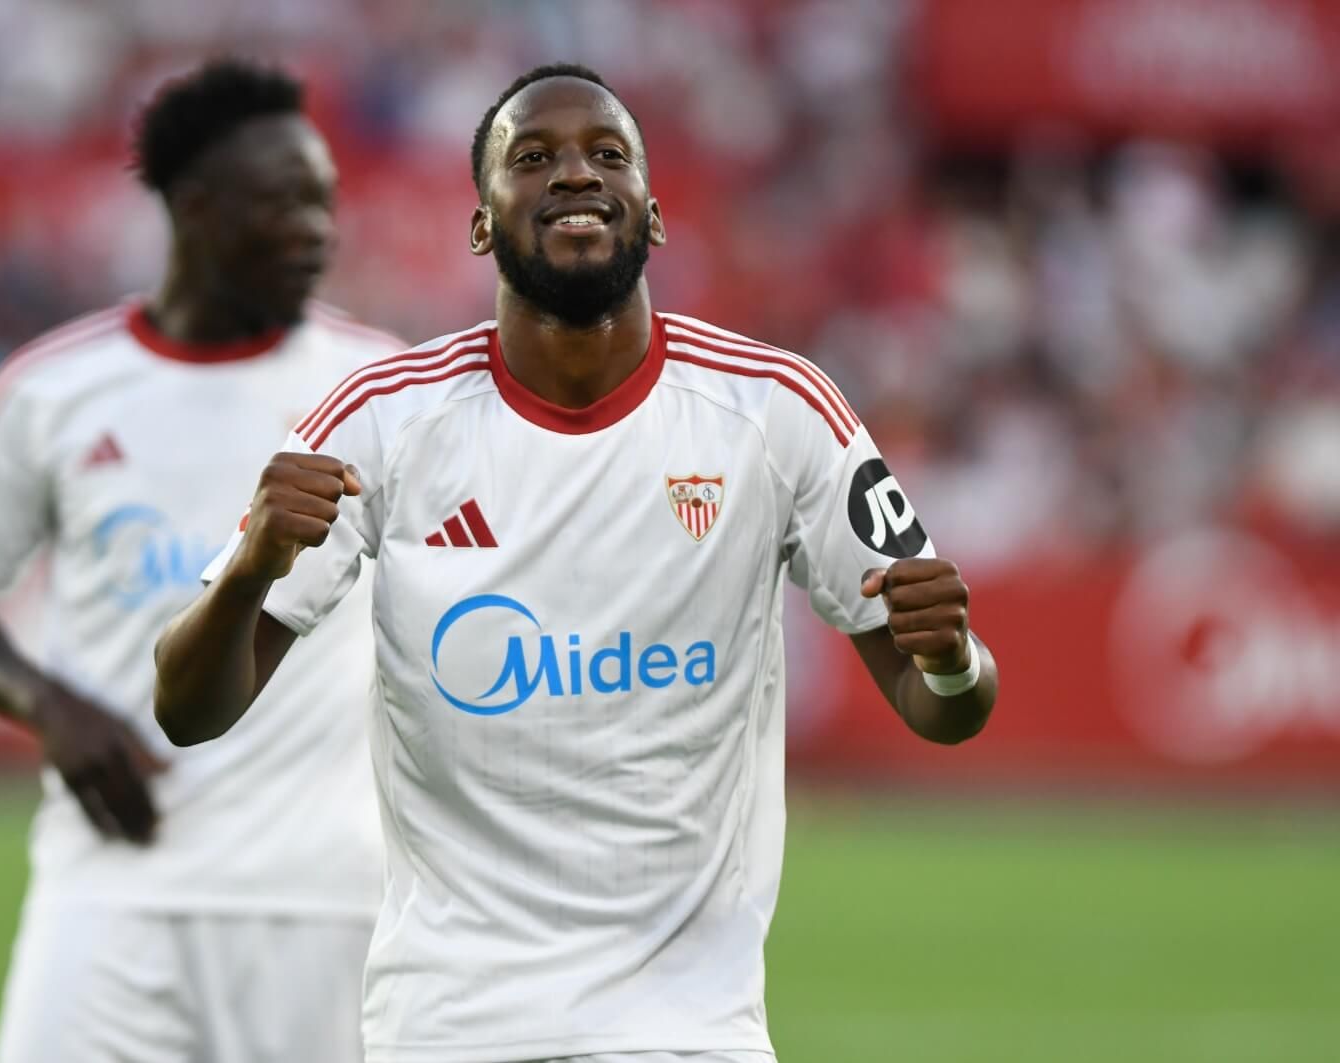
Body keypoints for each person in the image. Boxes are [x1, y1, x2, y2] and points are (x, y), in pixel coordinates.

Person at [154, 63, 999, 1063]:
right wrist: (253, 566)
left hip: (688, 1032)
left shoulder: (777, 410)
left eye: (607, 154)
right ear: (480, 223)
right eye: (533, 157)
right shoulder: (382, 422)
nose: (575, 174)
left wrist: (948, 653)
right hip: (450, 1028)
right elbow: (186, 707)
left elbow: (945, 704)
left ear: (653, 213)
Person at [0, 59, 398, 1063]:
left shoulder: (378, 387)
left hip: (323, 898)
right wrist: (50, 706)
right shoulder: (56, 391)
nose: (318, 228)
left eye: (324, 202)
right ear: (194, 207)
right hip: (109, 887)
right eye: (282, 203)